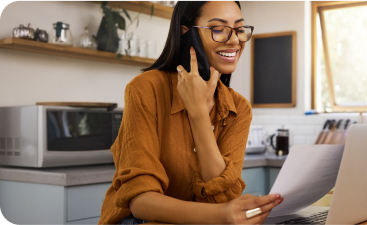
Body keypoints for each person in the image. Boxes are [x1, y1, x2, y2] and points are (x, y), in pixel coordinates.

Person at [98, 0, 283, 224]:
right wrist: (224, 215)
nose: (234, 40)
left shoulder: (238, 108)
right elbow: (141, 202)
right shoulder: (145, 89)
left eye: (239, 29)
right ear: (186, 34)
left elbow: (222, 196)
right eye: (219, 29)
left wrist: (198, 116)